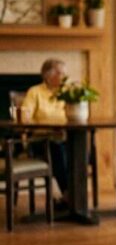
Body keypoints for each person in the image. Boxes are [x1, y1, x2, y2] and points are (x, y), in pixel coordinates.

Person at [21, 58, 70, 204]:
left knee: (78, 149)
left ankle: (72, 196)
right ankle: (68, 195)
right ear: (48, 76)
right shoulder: (35, 92)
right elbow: (24, 116)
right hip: (40, 140)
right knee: (58, 150)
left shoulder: (68, 92)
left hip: (65, 136)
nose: (65, 77)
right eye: (61, 73)